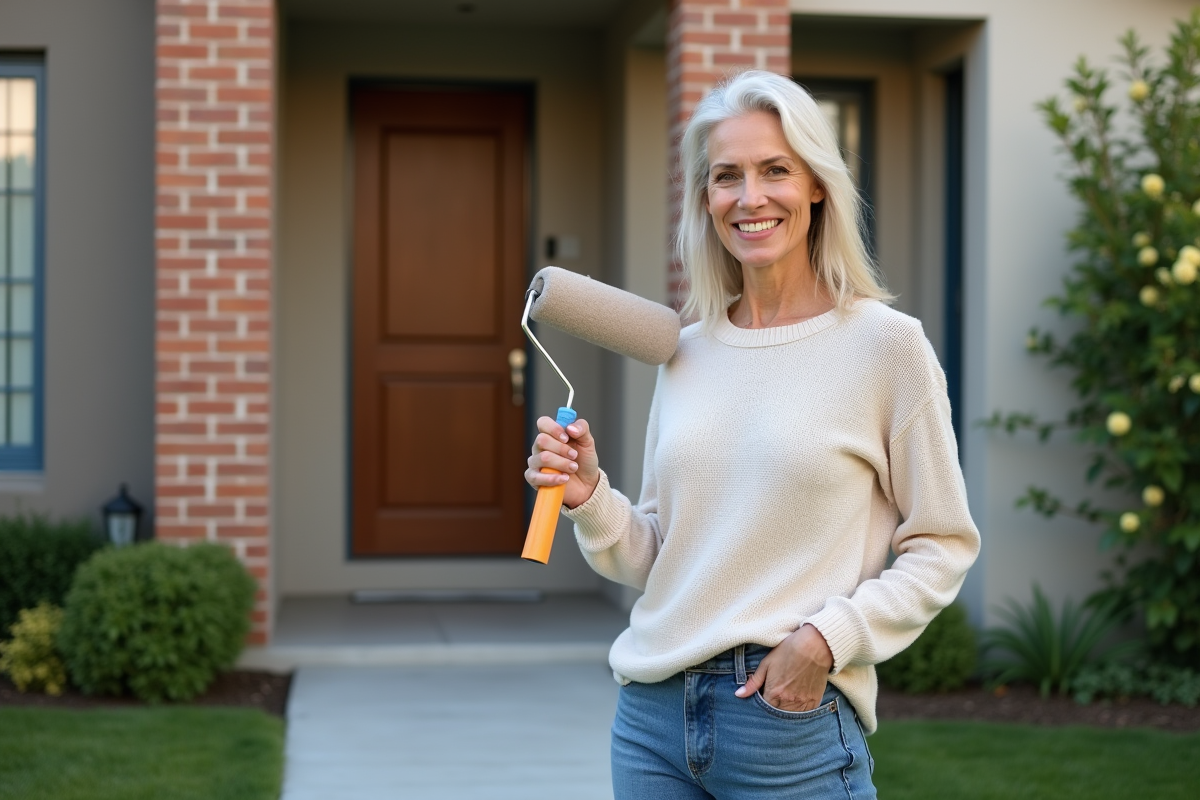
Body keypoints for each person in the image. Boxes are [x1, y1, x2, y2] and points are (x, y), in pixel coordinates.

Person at [525, 70, 980, 800]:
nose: (750, 197)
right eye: (726, 176)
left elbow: (943, 545)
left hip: (787, 722)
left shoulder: (887, 347)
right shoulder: (687, 352)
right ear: (706, 200)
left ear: (818, 186)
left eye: (775, 170)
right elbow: (664, 559)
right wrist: (590, 497)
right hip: (651, 719)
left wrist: (827, 641)